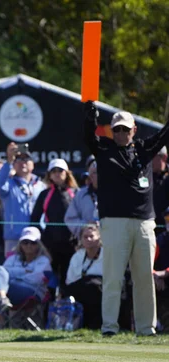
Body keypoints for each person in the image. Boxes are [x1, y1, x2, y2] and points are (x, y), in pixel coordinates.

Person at [84, 101, 169, 336]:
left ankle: (146, 328)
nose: (120, 133)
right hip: (114, 223)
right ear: (111, 130)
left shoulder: (144, 148)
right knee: (112, 277)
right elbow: (87, 135)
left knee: (144, 278)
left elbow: (164, 135)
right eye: (117, 129)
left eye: (125, 129)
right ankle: (109, 327)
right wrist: (90, 115)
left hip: (144, 223)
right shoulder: (103, 148)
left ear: (134, 130)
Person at [0, 227, 52, 326]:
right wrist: (25, 272)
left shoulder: (43, 260)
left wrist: (13, 275)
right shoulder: (13, 258)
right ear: (20, 244)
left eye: (33, 242)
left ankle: (0, 317)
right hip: (11, 289)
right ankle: (3, 300)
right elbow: (3, 273)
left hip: (32, 291)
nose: (29, 245)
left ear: (39, 245)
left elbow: (35, 279)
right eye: (25, 242)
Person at [30, 158, 78, 290]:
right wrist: (42, 239)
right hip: (50, 245)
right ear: (49, 175)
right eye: (54, 171)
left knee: (69, 279)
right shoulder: (44, 194)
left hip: (72, 245)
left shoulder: (75, 193)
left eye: (60, 170)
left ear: (67, 173)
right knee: (50, 280)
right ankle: (49, 307)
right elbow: (34, 219)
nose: (57, 173)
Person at [0, 142, 46, 255]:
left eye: (26, 159)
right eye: (18, 159)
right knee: (12, 270)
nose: (22, 162)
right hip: (14, 238)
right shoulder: (9, 184)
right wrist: (8, 161)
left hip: (37, 238)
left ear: (33, 164)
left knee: (36, 271)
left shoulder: (41, 185)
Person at [65, 225, 104, 329]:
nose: (88, 239)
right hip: (80, 290)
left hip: (101, 290)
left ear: (99, 238)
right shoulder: (77, 256)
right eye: (85, 237)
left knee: (93, 286)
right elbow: (70, 280)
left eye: (91, 236)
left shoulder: (107, 255)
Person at [64, 161, 99, 238]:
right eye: (95, 173)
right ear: (90, 176)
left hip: (111, 239)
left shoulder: (114, 193)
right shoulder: (80, 194)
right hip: (88, 243)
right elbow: (70, 219)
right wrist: (85, 226)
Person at [152, 147, 169, 233]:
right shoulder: (144, 176)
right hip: (148, 229)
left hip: (165, 231)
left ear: (164, 157)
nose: (150, 160)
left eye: (153, 156)